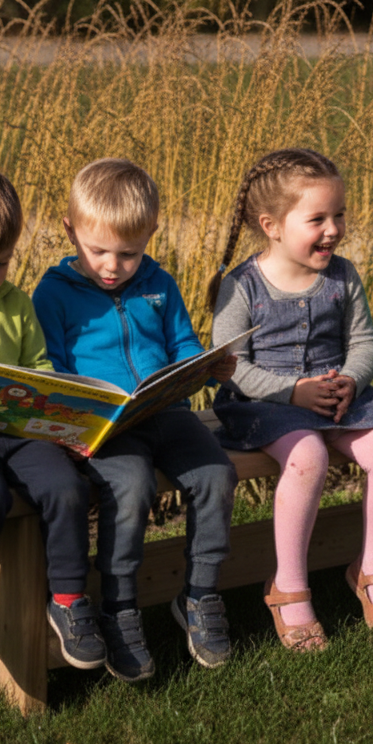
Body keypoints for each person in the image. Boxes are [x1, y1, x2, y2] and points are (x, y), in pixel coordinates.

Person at [33, 159, 238, 682]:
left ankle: (200, 595)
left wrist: (205, 366)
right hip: (107, 430)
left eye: (129, 253)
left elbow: (182, 343)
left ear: (151, 234)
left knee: (217, 474)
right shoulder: (53, 293)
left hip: (166, 413)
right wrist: (76, 422)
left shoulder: (158, 283)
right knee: (131, 486)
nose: (113, 266)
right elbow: (52, 369)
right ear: (70, 230)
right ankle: (119, 609)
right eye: (98, 251)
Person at [209, 148, 373, 651]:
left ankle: (372, 570)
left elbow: (364, 342)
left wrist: (352, 381)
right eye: (317, 219)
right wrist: (292, 392)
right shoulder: (241, 286)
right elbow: (229, 366)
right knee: (308, 455)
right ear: (272, 226)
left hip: (335, 396)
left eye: (338, 215)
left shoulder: (342, 276)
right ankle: (289, 585)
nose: (333, 229)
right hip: (264, 404)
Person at [0, 174, 105, 671]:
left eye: (1, 263)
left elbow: (39, 367)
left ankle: (68, 599)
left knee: (65, 488)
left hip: (18, 432)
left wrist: (54, 410)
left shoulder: (17, 304)